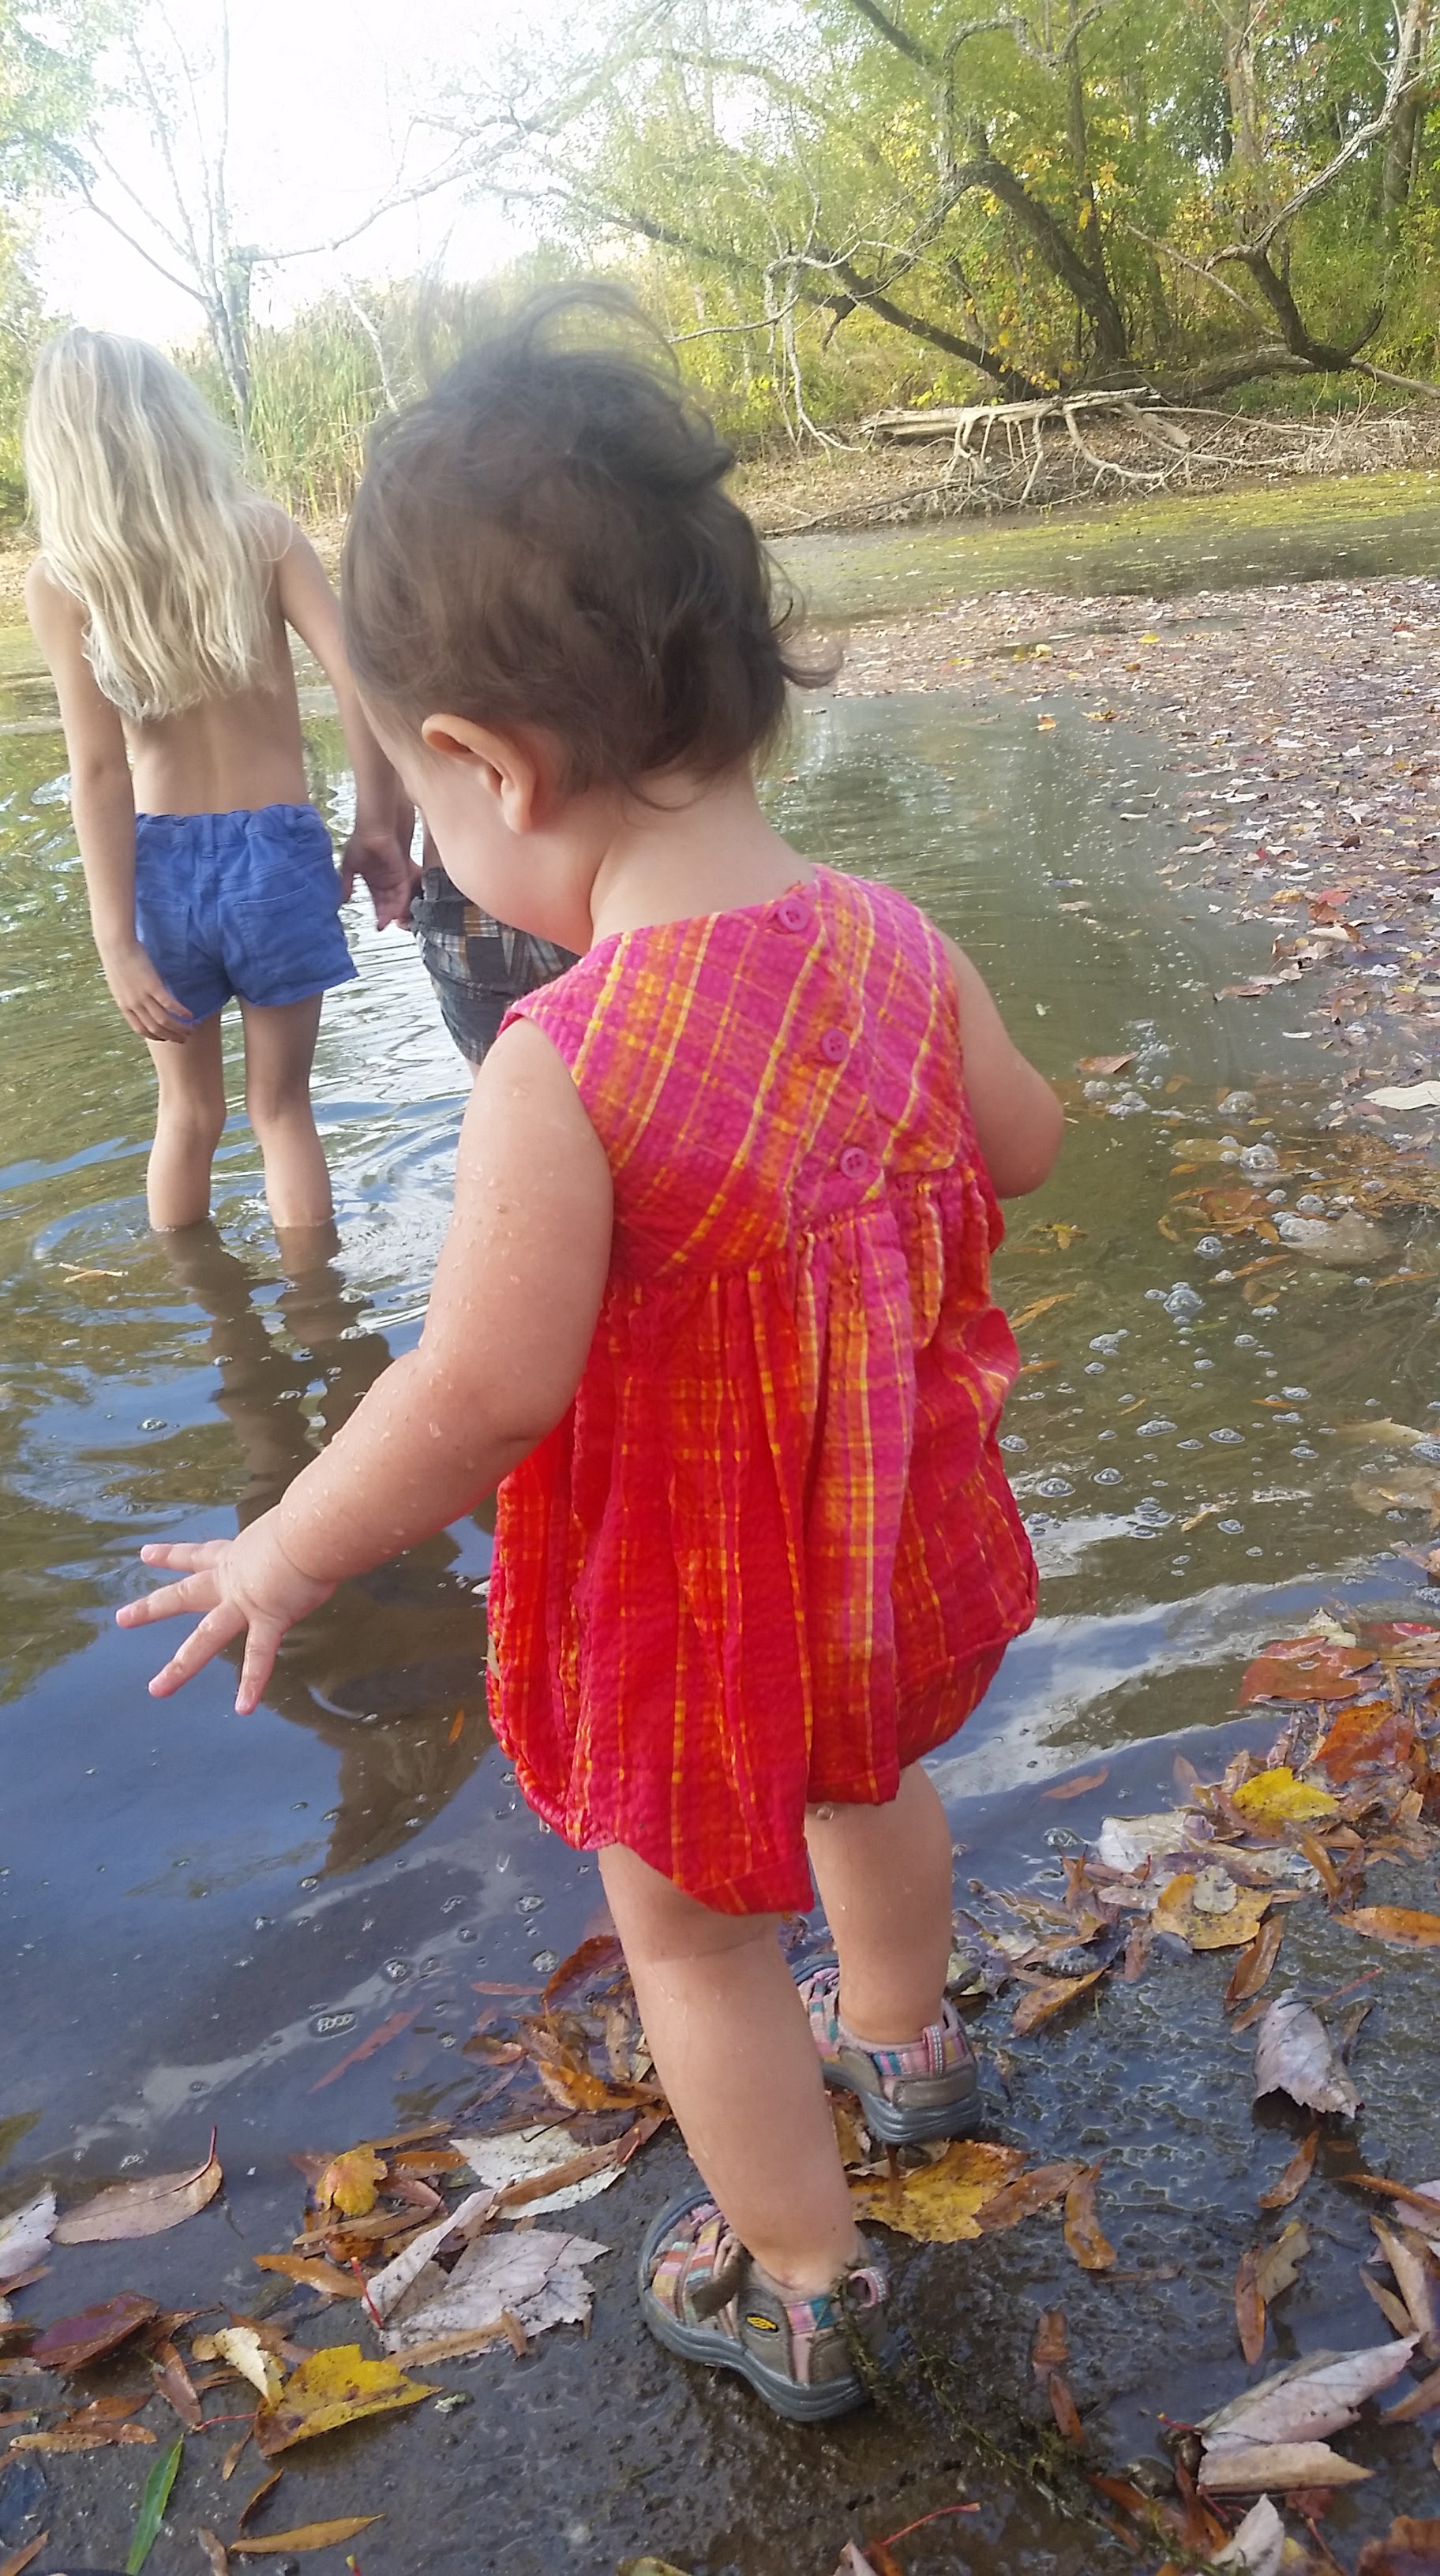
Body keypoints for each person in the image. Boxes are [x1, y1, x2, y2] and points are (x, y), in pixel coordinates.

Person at [117, 288, 1063, 2424]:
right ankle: (908, 2048)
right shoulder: (897, 940)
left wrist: (285, 1546)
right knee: (873, 1784)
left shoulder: (569, 1062)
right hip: (879, 1550)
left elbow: (476, 1393)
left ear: (486, 765)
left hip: (697, 1610)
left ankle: (801, 2276)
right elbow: (1018, 1144)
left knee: (698, 1937)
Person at [24, 328, 414, 1237]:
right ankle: (318, 1307)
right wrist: (377, 819)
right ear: (172, 418)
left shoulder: (66, 579)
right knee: (281, 1111)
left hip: (157, 870)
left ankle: (207, 1316)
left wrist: (116, 941)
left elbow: (97, 770)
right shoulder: (260, 533)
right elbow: (361, 676)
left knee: (188, 1117)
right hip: (276, 852)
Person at [411, 826, 576, 1075]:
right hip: (566, 874)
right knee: (609, 1069)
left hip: (462, 890)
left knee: (498, 1080)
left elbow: (381, 840)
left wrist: (381, 834)